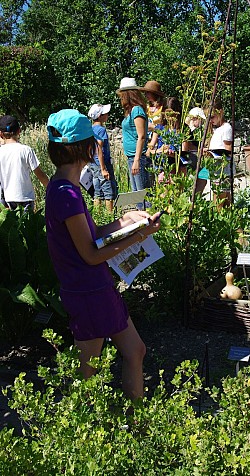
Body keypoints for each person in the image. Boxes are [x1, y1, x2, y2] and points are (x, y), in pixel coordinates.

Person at [45, 108, 161, 399]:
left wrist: (128, 220)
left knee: (135, 351)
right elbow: (91, 255)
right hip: (87, 290)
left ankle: (135, 423)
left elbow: (93, 234)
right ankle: (94, 434)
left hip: (94, 288)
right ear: (84, 148)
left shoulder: (63, 187)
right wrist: (140, 236)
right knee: (89, 373)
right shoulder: (66, 195)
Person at [0, 115, 49, 211]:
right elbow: (40, 174)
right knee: (27, 224)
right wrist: (51, 187)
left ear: (1, 134)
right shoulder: (26, 150)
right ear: (19, 131)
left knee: (11, 225)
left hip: (7, 199)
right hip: (26, 198)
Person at [116, 77, 150, 194]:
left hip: (138, 158)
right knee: (136, 194)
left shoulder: (137, 110)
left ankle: (146, 212)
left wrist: (136, 160)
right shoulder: (130, 111)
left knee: (142, 195)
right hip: (132, 157)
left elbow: (141, 136)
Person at [87, 103, 118, 212]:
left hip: (93, 164)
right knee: (108, 192)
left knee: (97, 192)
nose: (108, 114)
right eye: (105, 113)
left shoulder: (90, 129)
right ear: (100, 116)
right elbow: (98, 148)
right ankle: (110, 217)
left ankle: (98, 215)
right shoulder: (101, 130)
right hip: (102, 164)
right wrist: (103, 168)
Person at [206, 101, 234, 206]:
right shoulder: (217, 129)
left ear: (220, 112)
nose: (210, 120)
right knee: (224, 198)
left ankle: (220, 217)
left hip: (223, 170)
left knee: (219, 199)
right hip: (217, 169)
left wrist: (212, 154)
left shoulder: (226, 128)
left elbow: (228, 151)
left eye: (212, 117)